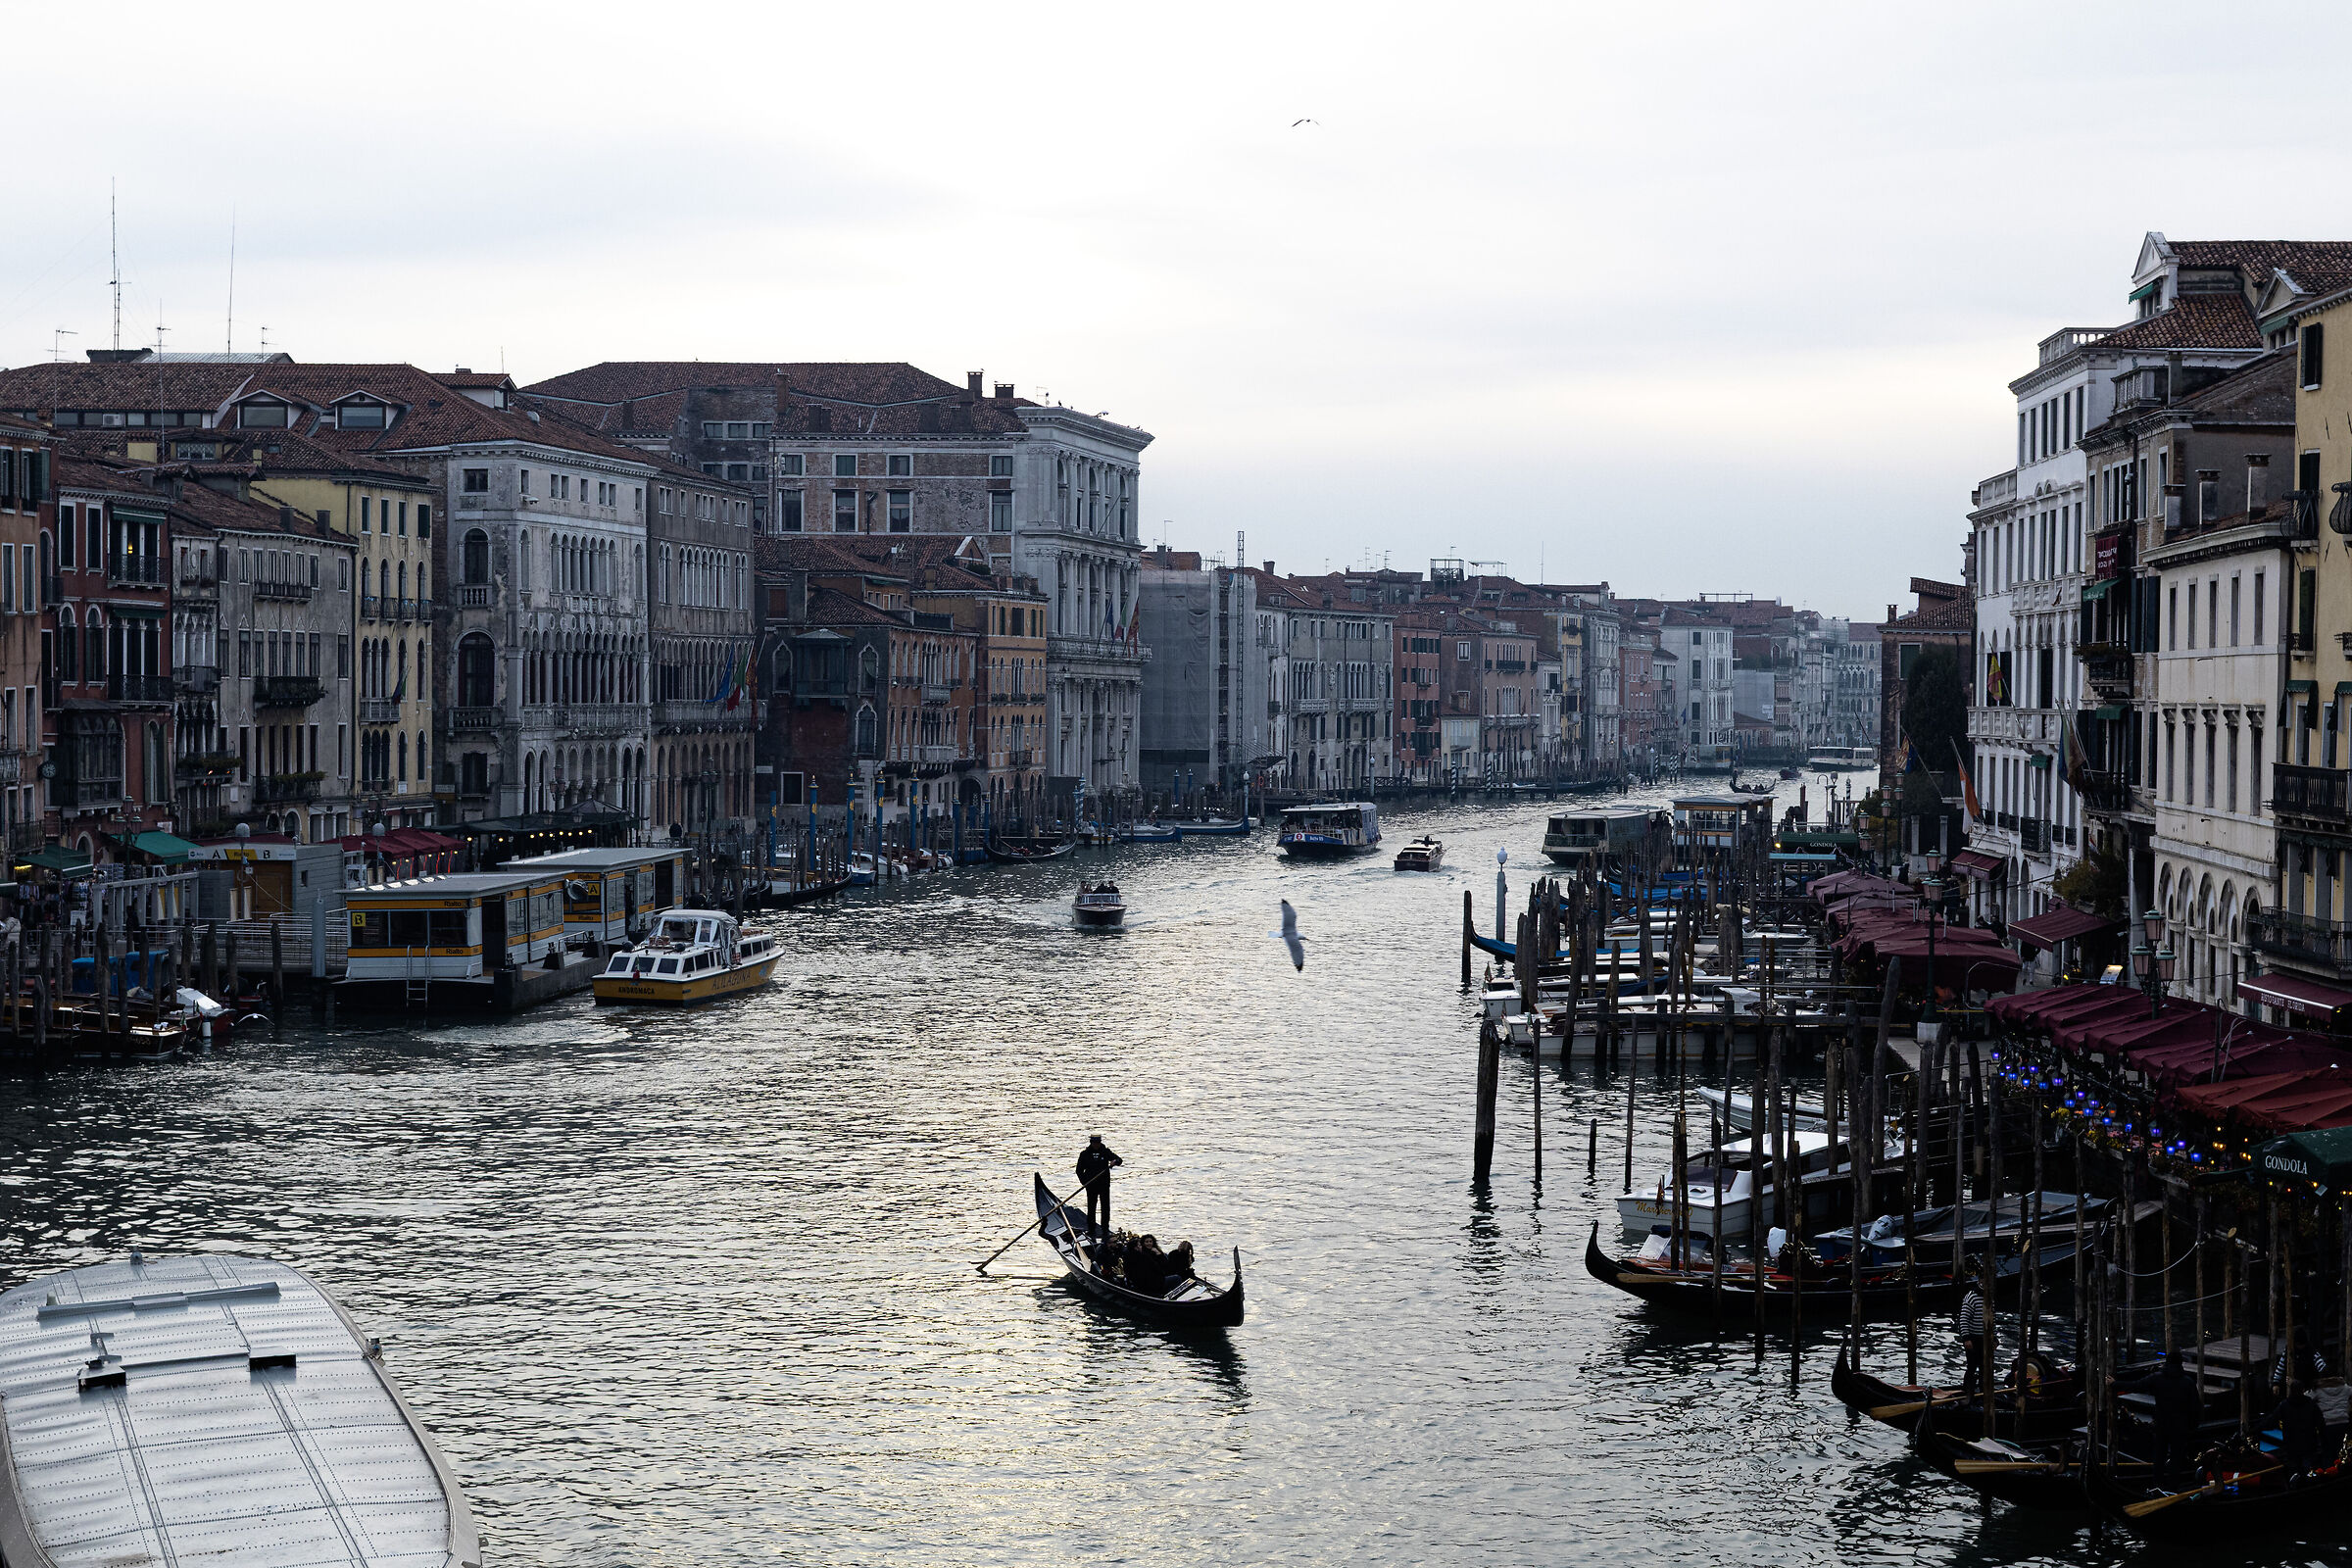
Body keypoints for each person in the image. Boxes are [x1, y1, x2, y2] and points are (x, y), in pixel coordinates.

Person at [2114, 1350, 2203, 1478]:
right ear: (2180, 1364)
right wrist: (2193, 1426)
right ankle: (2173, 1484)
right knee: (2176, 1457)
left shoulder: (2157, 1378)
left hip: (2162, 1424)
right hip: (2180, 1426)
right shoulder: (2188, 1382)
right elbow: (2195, 1407)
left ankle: (2158, 1483)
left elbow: (2136, 1386)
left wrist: (2114, 1384)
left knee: (2159, 1455)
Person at [2268, 1381, 2327, 1473]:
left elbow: (2272, 1420)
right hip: (2309, 1441)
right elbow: (2320, 1422)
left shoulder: (2284, 1405)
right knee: (2308, 1468)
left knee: (2294, 1468)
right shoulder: (2310, 1404)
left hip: (2291, 1442)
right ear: (2303, 1390)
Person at [1076, 1135, 1122, 1243]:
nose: (1096, 1145)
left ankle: (1105, 1229)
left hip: (1104, 1185)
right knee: (1091, 1207)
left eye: (1098, 1143)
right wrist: (1085, 1183)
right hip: (1091, 1185)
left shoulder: (1105, 1152)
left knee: (1105, 1207)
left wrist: (1114, 1162)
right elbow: (1079, 1171)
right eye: (1095, 1143)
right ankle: (1091, 1229)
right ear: (1091, 1143)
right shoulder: (1084, 1154)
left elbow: (1119, 1160)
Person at [1955, 1284, 1987, 1397]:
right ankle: (1967, 1393)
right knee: (1972, 1367)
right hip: (1973, 1338)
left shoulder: (1990, 1297)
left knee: (1985, 1367)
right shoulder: (1972, 1297)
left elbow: (1992, 1319)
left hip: (1986, 1338)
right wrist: (1966, 1338)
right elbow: (1963, 1319)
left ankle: (1983, 1392)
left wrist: (1995, 1339)